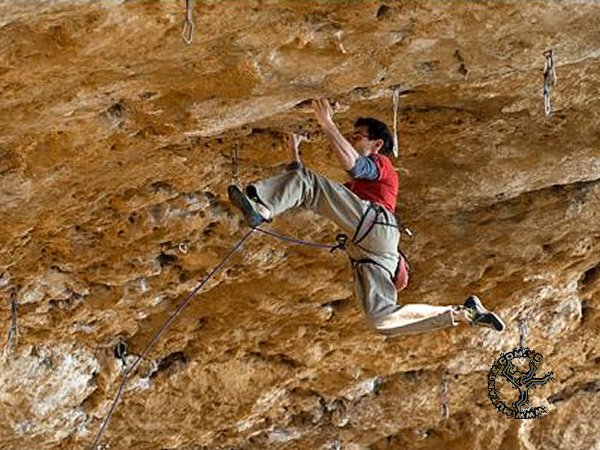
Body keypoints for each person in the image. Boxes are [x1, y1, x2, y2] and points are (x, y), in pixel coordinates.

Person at [228, 98, 505, 336]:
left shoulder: (382, 165)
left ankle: (262, 206)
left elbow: (352, 166)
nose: (352, 139)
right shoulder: (359, 192)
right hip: (378, 249)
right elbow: (308, 192)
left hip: (376, 231)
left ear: (377, 144)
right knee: (381, 319)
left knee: (308, 183)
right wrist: (294, 152)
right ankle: (462, 313)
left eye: (358, 136)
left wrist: (327, 122)